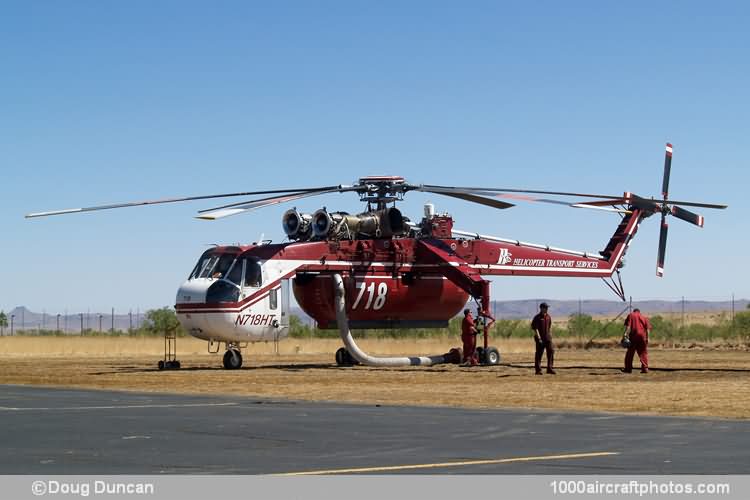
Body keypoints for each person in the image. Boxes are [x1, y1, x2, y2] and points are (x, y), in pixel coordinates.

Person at [622, 308, 652, 373]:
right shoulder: (643, 317)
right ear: (639, 311)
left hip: (633, 337)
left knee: (630, 354)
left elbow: (628, 327)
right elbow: (647, 329)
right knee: (643, 353)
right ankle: (645, 368)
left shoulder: (631, 315)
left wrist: (625, 335)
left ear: (634, 311)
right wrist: (648, 338)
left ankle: (628, 369)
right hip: (642, 337)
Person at [531, 302, 555, 374]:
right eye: (545, 308)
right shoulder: (537, 317)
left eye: (547, 308)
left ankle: (549, 368)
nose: (547, 309)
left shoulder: (548, 317)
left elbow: (549, 327)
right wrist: (539, 338)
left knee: (551, 351)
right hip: (540, 339)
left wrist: (550, 336)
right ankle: (538, 370)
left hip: (548, 338)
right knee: (539, 354)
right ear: (541, 308)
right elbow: (535, 328)